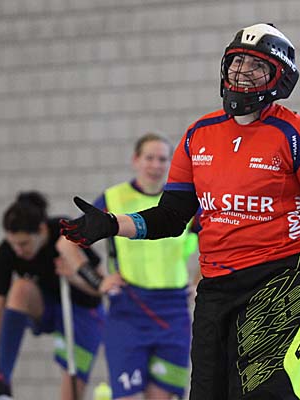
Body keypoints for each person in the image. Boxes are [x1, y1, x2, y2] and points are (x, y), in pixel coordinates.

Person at [60, 23, 300, 400]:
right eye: (237, 61)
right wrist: (111, 224)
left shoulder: (299, 134)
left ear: (280, 78)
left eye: (256, 65)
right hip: (217, 284)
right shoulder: (198, 134)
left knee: (262, 394)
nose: (242, 72)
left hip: (283, 278)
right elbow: (170, 217)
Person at [0, 192, 122, 400]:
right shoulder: (7, 252)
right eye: (13, 243)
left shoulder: (65, 233)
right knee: (21, 289)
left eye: (24, 244)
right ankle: (2, 383)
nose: (18, 250)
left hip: (83, 312)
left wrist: (74, 277)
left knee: (71, 393)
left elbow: (101, 288)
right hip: (46, 309)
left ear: (41, 230)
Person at [94, 133, 198, 400]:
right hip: (129, 307)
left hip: (173, 309)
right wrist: (98, 280)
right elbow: (68, 244)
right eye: (149, 158)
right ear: (135, 160)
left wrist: (200, 281)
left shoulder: (185, 202)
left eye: (162, 159)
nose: (155, 165)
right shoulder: (113, 198)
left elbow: (216, 240)